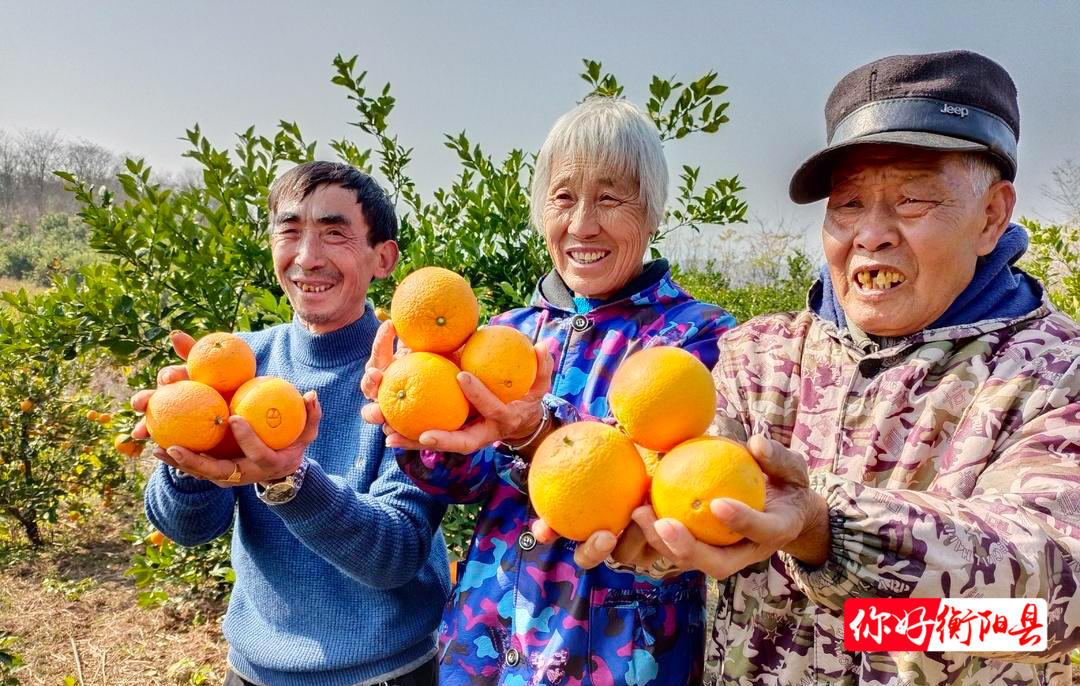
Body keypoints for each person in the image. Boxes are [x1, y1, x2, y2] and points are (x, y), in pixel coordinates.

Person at [602, 50, 1080, 685]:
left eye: (912, 200)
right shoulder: (760, 359)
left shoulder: (1054, 374)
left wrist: (832, 536)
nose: (871, 234)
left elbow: (1049, 611)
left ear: (992, 215)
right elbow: (680, 501)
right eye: (849, 203)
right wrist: (639, 529)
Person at [361, 96, 736, 685]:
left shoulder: (700, 337)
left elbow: (679, 489)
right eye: (563, 197)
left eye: (610, 197)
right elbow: (466, 481)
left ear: (654, 212)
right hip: (484, 643)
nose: (582, 222)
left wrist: (536, 431)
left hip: (618, 656)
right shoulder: (505, 333)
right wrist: (417, 434)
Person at [133, 162, 450, 686]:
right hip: (253, 672)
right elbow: (187, 528)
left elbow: (397, 553)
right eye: (289, 231)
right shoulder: (238, 365)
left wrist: (290, 482)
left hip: (388, 674)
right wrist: (186, 456)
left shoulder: (413, 380)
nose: (308, 257)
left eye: (334, 233)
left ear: (383, 258)